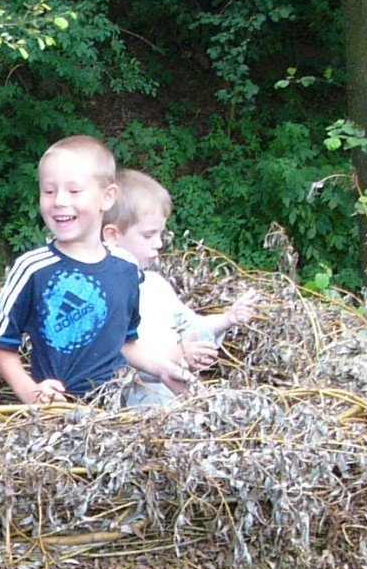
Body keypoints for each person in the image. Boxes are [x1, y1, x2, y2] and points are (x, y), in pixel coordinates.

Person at [0, 136, 193, 404]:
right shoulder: (33, 268)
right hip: (56, 416)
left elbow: (126, 343)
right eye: (49, 191)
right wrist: (29, 391)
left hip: (115, 412)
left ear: (107, 197)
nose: (59, 201)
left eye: (74, 191)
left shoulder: (125, 267)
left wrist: (164, 369)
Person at [100, 170, 263, 404]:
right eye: (148, 235)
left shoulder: (156, 285)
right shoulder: (102, 294)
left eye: (160, 234)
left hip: (169, 411)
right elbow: (118, 360)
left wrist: (228, 318)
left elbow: (191, 327)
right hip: (129, 418)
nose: (158, 244)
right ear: (113, 235)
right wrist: (180, 354)